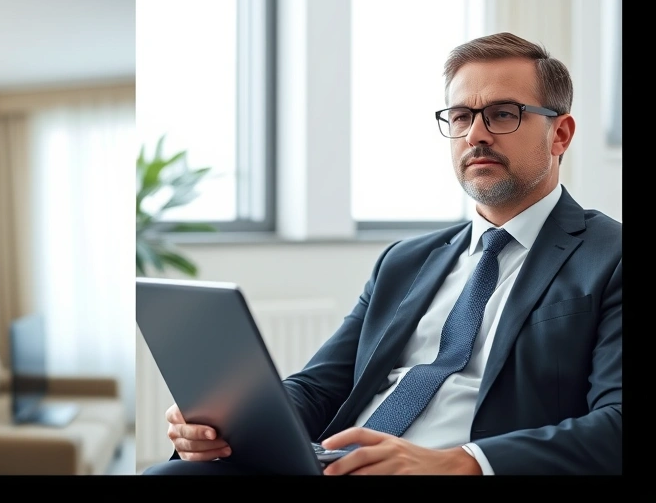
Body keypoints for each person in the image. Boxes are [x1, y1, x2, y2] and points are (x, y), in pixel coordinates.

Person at [143, 32, 622, 475]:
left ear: (559, 134)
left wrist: (461, 463)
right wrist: (227, 419)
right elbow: (319, 386)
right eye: (460, 116)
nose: (476, 134)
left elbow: (616, 422)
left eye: (502, 114)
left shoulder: (609, 256)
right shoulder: (405, 262)